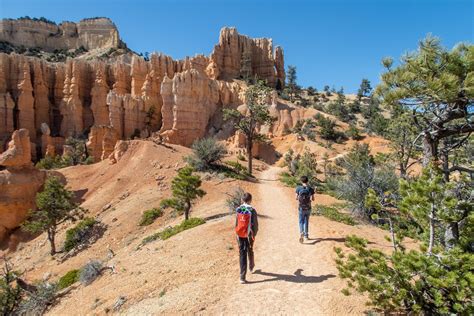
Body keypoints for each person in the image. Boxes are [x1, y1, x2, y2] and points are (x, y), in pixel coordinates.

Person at [235, 192, 258, 284]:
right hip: (249, 235)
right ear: (250, 200)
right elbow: (255, 225)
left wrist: (237, 234)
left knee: (242, 254)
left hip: (240, 234)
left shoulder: (239, 209)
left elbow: (236, 223)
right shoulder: (252, 210)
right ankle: (251, 267)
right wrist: (254, 234)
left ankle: (242, 277)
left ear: (242, 200)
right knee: (250, 250)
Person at [295, 176, 315, 243]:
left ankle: (301, 232)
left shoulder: (298, 188)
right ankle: (306, 235)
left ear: (301, 181)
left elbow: (296, 198)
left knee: (301, 221)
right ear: (307, 181)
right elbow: (313, 199)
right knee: (306, 221)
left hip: (301, 207)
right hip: (308, 207)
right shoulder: (310, 189)